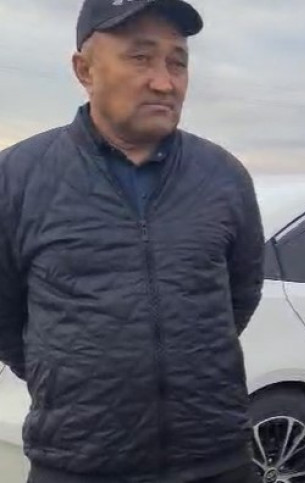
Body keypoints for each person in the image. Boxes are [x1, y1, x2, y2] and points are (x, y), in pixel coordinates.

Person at [0, 1, 265, 481]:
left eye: (177, 62)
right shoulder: (18, 177)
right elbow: (4, 315)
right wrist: (63, 376)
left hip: (214, 459)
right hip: (78, 463)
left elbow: (239, 295)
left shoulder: (222, 176)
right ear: (85, 70)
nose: (164, 82)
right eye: (140, 58)